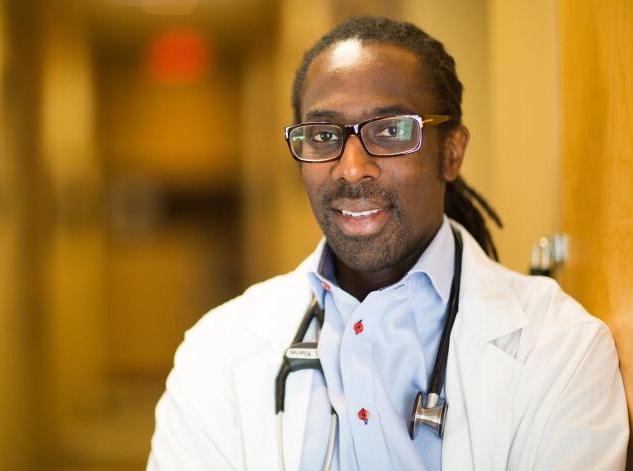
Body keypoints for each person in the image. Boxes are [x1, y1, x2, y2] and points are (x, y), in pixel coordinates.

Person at [148, 16, 628, 470]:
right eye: (322, 135)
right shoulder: (218, 352)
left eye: (392, 131)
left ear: (452, 152)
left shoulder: (561, 350)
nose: (352, 168)